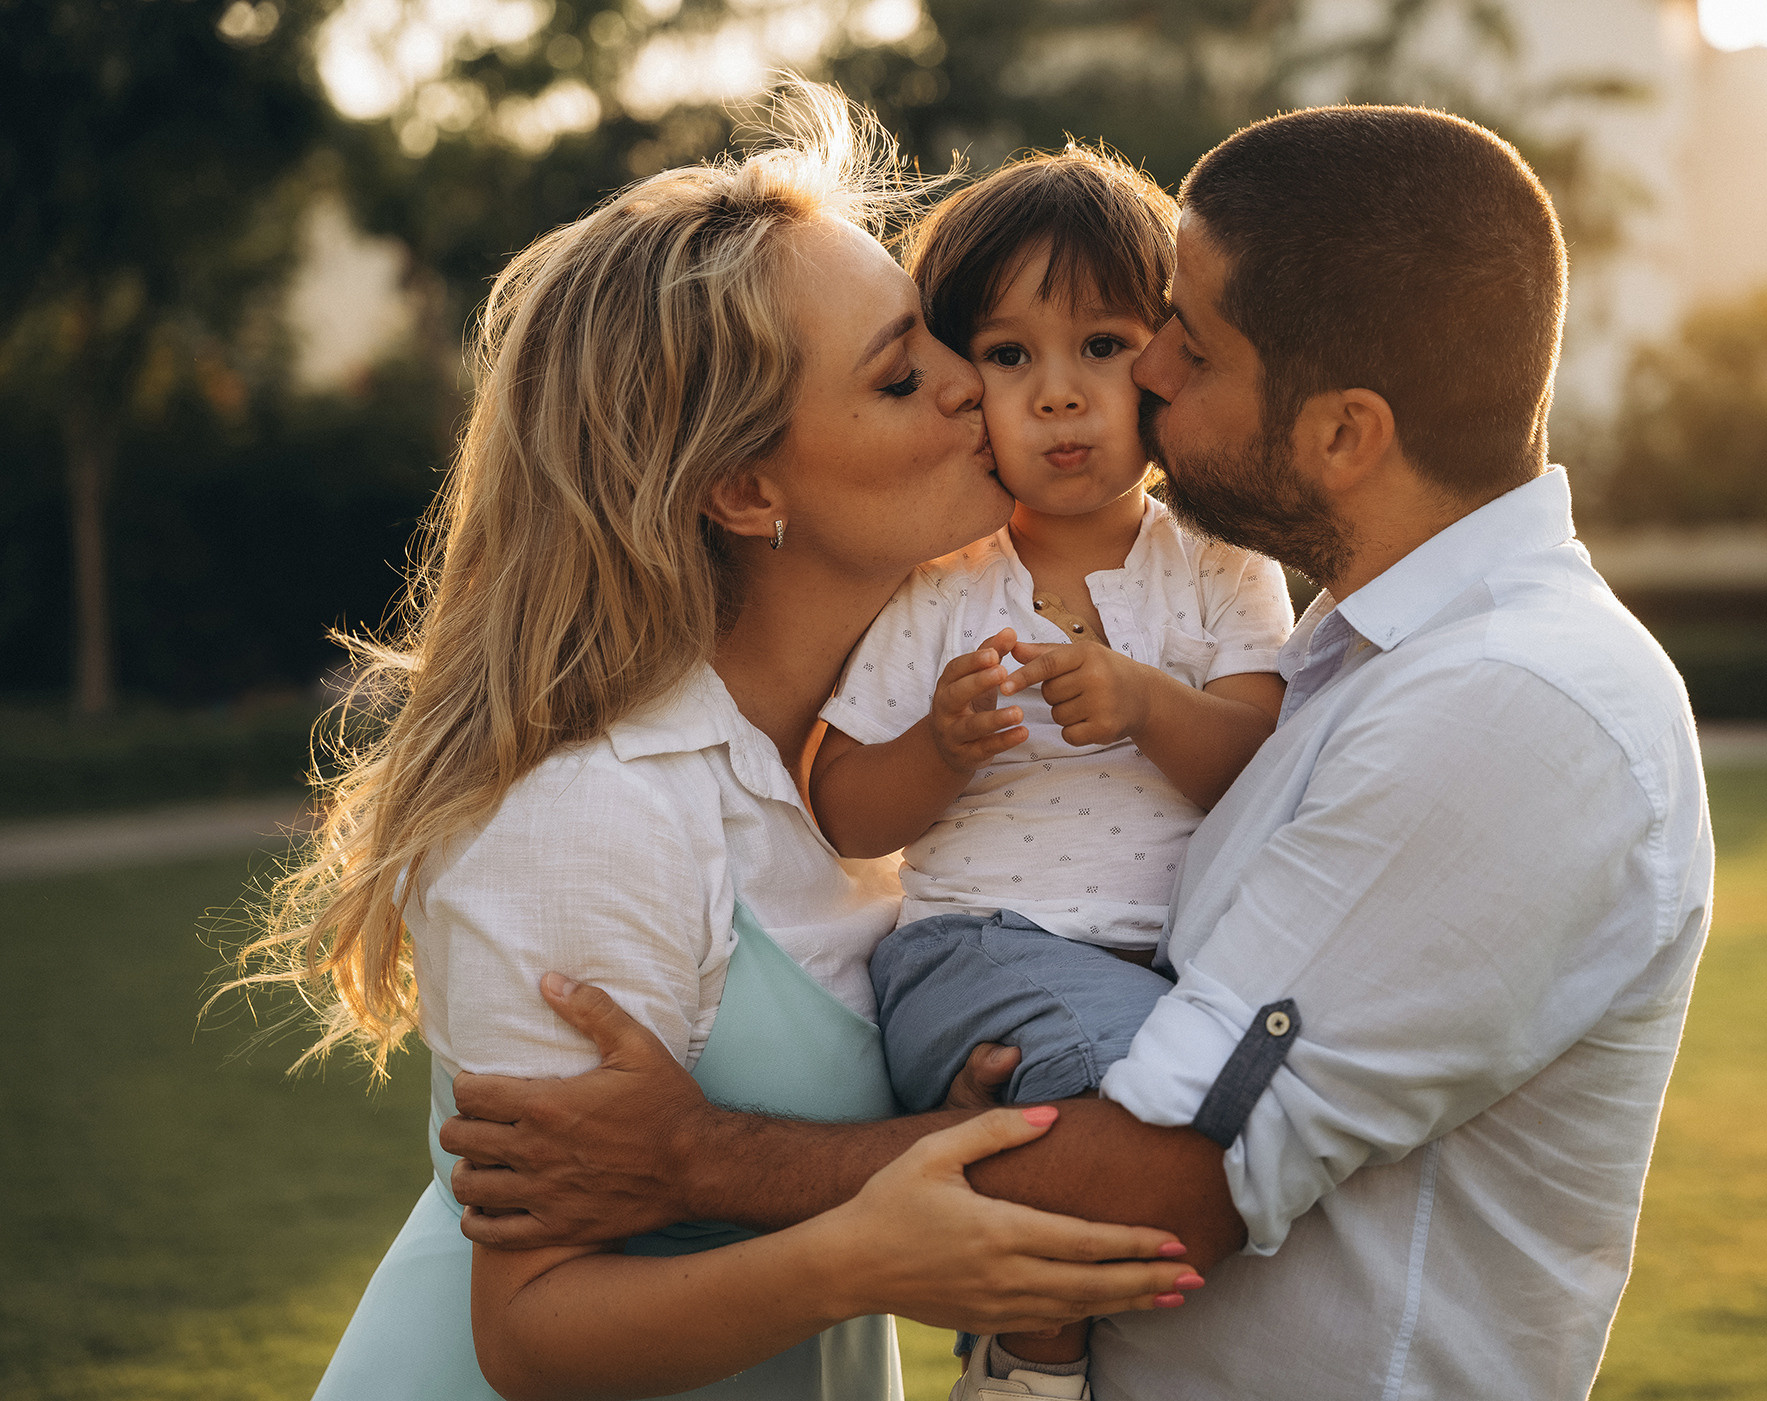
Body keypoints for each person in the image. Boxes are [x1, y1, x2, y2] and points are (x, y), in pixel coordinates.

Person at [442, 103, 1715, 1401]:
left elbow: (1158, 1177)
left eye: (1181, 344)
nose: (1134, 378)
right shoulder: (1353, 655)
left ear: (1343, 433)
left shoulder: (1501, 699)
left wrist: (702, 1157)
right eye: (935, 359)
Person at [229, 85, 1204, 1401]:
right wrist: (869, 1252)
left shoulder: (900, 745)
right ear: (747, 490)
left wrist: (930, 1145)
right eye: (905, 374)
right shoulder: (596, 808)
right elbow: (533, 1332)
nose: (985, 385)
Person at [808, 148, 1295, 1391]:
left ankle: (1023, 1316)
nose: (1060, 398)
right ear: (961, 386)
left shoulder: (1220, 565)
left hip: (1162, 962)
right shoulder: (940, 584)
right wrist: (941, 749)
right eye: (1012, 358)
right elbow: (846, 806)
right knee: (1151, 1104)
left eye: (1102, 346)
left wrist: (1143, 702)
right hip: (977, 951)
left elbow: (1260, 763)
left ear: (1169, 360)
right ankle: (1023, 1362)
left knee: (1212, 1094)